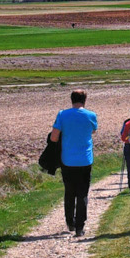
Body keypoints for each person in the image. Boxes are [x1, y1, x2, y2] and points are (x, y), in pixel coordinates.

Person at [50, 90, 98, 237]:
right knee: (82, 193)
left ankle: (70, 221)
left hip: (68, 160)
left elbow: (53, 137)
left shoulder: (62, 115)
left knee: (69, 191)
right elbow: (93, 131)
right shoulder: (91, 115)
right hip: (85, 160)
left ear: (71, 99)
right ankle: (79, 227)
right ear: (85, 100)